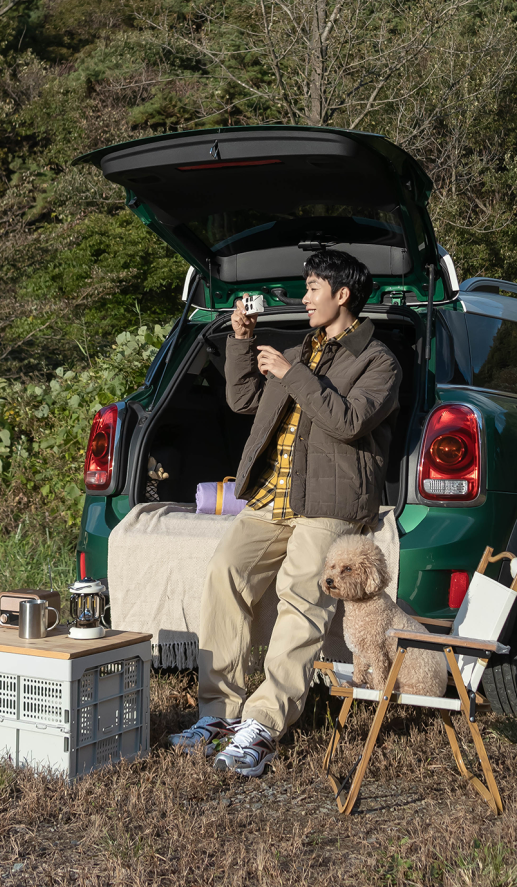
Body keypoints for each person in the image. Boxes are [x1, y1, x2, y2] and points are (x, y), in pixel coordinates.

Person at [168, 249, 402, 776]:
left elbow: (348, 420)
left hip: (332, 503)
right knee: (226, 575)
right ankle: (217, 715)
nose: (304, 298)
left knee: (302, 598)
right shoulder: (300, 351)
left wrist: (294, 372)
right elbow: (243, 399)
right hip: (272, 497)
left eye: (313, 288)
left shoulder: (379, 362)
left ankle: (263, 725)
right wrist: (242, 342)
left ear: (342, 295)